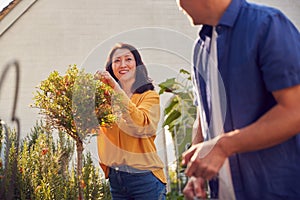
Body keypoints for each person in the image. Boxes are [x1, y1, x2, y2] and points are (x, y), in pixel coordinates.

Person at [176, 0, 300, 199]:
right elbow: (205, 113)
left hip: (276, 189)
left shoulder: (267, 24)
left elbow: (295, 111)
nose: (179, 5)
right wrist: (197, 169)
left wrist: (224, 146)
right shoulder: (200, 48)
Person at [95, 43, 167, 200]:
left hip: (144, 177)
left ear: (137, 64)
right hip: (116, 178)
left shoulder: (149, 96)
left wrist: (116, 88)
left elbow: (141, 125)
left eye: (128, 59)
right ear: (111, 67)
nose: (123, 64)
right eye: (117, 61)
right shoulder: (105, 100)